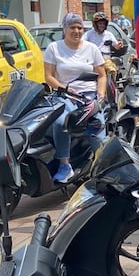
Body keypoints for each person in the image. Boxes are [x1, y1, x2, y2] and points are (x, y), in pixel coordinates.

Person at [43, 12, 106, 184]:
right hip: (65, 96)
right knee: (59, 122)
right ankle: (65, 165)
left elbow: (101, 75)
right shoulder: (54, 48)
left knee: (97, 131)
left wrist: (100, 96)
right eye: (72, 27)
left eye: (80, 27)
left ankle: (103, 168)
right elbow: (49, 77)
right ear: (65, 29)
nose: (77, 31)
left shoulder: (91, 48)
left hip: (89, 98)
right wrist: (66, 88)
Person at [84, 12, 123, 78]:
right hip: (93, 61)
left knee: (112, 70)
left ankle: (111, 86)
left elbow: (116, 46)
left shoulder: (109, 34)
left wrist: (119, 45)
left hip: (105, 60)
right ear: (95, 24)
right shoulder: (88, 34)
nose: (102, 25)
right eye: (100, 23)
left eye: (103, 24)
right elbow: (81, 44)